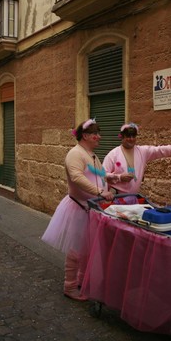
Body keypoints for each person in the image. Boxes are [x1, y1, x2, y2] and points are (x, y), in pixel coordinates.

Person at [41, 119, 114, 300]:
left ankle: (82, 280)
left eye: (99, 133)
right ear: (85, 136)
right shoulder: (75, 153)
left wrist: (118, 178)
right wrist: (100, 192)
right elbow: (76, 177)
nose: (99, 137)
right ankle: (70, 287)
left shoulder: (91, 155)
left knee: (86, 249)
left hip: (90, 208)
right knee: (75, 250)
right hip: (77, 207)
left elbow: (100, 175)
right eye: (95, 134)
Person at [102, 122, 171, 200]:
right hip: (116, 199)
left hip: (133, 199)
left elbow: (160, 150)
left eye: (133, 136)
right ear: (122, 137)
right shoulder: (113, 154)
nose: (131, 139)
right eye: (128, 136)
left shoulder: (142, 151)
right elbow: (102, 175)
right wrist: (119, 177)